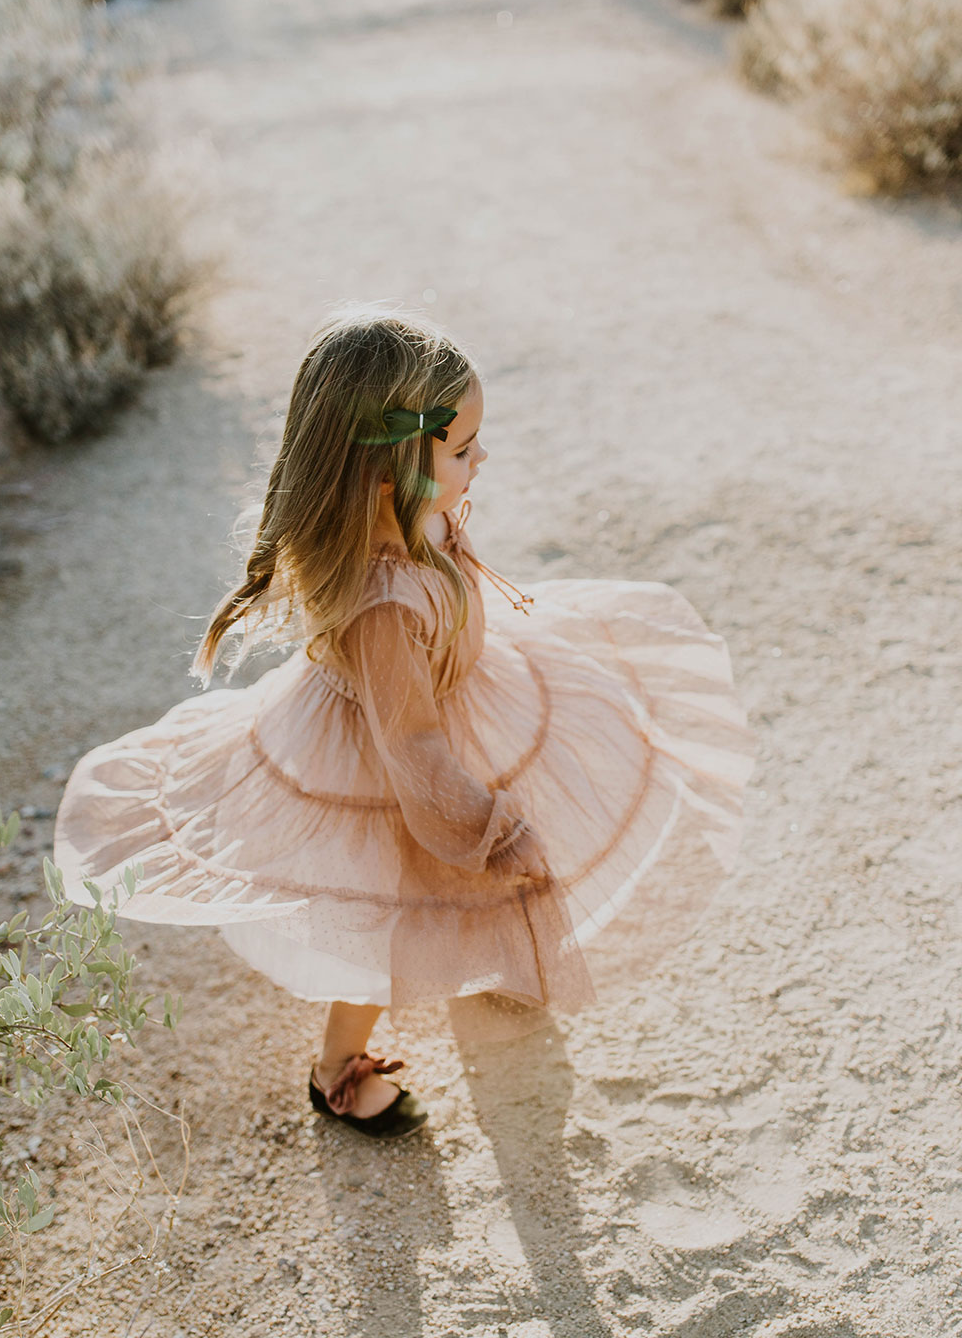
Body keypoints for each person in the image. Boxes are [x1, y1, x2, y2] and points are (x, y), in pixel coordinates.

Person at [53, 305, 758, 1141]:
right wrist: (482, 828)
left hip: (462, 702)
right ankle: (333, 1070)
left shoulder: (406, 514)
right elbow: (413, 747)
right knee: (387, 912)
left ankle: (493, 954)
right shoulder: (379, 606)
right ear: (386, 470)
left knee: (502, 839)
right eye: (461, 449)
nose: (480, 458)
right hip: (395, 754)